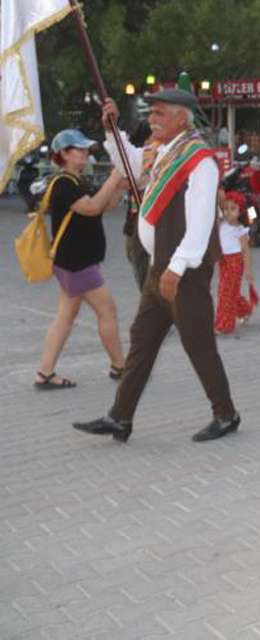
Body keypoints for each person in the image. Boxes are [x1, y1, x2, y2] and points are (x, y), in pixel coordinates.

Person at [73, 90, 239, 443]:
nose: (152, 118)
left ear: (181, 119)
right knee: (142, 340)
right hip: (159, 268)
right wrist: (111, 130)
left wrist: (177, 268)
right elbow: (130, 164)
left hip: (183, 272)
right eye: (152, 112)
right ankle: (120, 418)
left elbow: (199, 223)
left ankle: (226, 414)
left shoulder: (199, 161)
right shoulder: (165, 151)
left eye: (160, 113)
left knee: (198, 344)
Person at [33, 129, 128, 391]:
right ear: (63, 154)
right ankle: (120, 367)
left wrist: (117, 188)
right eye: (80, 150)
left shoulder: (76, 181)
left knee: (65, 316)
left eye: (86, 150)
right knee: (107, 311)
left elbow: (103, 206)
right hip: (78, 263)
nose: (86, 154)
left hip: (73, 262)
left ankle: (45, 372)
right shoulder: (63, 183)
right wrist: (115, 176)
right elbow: (91, 207)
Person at [213, 190, 255, 334]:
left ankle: (223, 325)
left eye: (232, 209)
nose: (228, 212)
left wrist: (248, 270)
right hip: (224, 261)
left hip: (235, 262)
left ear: (240, 211)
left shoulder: (240, 229)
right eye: (226, 209)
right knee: (229, 292)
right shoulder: (221, 224)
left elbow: (246, 251)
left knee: (224, 292)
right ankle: (245, 310)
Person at [122, 122, 155, 291]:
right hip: (137, 226)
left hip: (160, 227)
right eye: (152, 140)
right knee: (145, 281)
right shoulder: (134, 163)